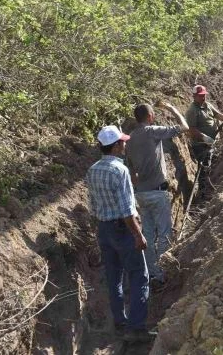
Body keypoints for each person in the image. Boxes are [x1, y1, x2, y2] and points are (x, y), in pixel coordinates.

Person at [85, 125, 152, 341]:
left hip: (104, 229)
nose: (125, 145)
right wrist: (138, 235)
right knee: (140, 276)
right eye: (122, 142)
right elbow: (126, 210)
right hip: (123, 230)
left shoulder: (93, 170)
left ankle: (120, 322)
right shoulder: (120, 170)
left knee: (114, 278)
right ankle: (136, 328)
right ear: (115, 146)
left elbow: (93, 205)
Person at [127, 101, 189, 291]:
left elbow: (131, 171)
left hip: (141, 194)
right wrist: (172, 108)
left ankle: (153, 274)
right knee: (164, 235)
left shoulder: (129, 139)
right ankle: (164, 273)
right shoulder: (152, 131)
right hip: (157, 192)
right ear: (151, 116)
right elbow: (184, 127)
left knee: (147, 234)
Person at [185, 85, 223, 163]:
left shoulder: (208, 105)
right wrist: (205, 138)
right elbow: (192, 129)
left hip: (212, 142)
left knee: (215, 164)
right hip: (201, 145)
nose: (203, 97)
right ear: (194, 96)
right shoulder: (192, 111)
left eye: (204, 95)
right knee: (205, 166)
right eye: (200, 96)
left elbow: (218, 115)